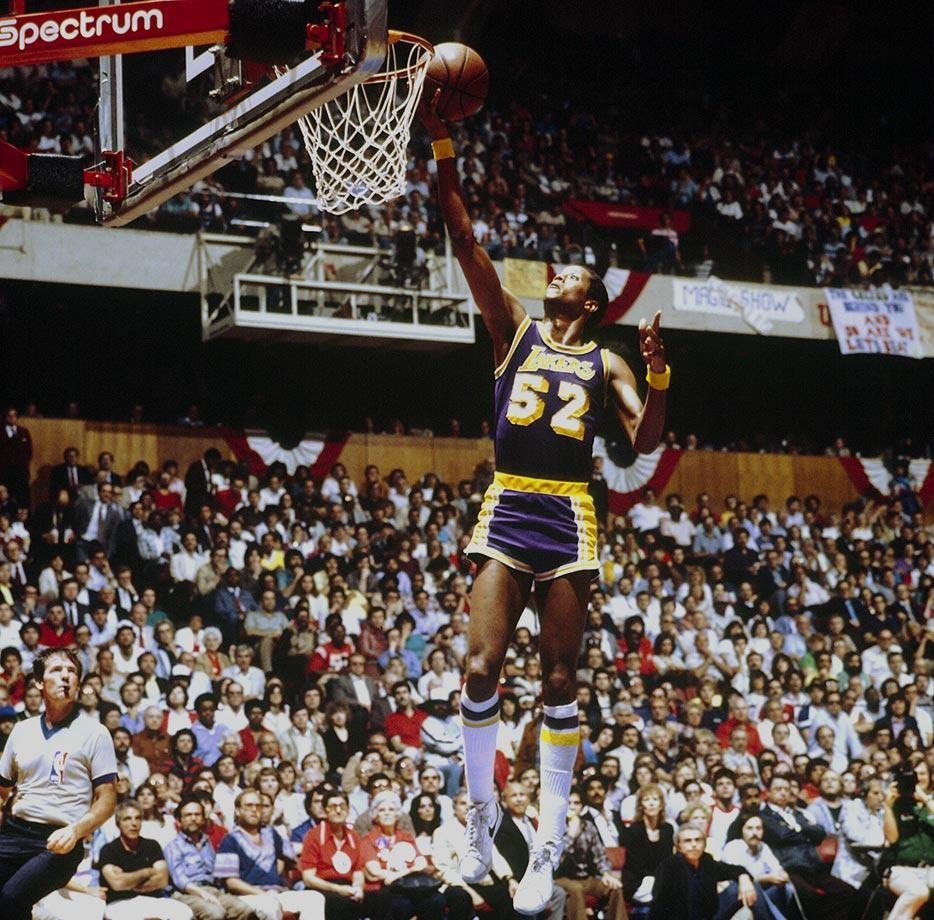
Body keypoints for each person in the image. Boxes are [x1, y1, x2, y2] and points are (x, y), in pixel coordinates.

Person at [419, 91, 668, 917]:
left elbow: (645, 440)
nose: (556, 272)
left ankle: (550, 840)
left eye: (572, 275)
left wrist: (658, 374)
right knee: (478, 667)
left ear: (591, 302)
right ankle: (483, 814)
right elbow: (464, 238)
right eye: (556, 271)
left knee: (560, 679)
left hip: (569, 513)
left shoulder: (607, 362)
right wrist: (444, 146)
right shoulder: (513, 331)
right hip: (509, 505)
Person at [0, 647, 118, 920]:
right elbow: (2, 789)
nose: (66, 676)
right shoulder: (21, 730)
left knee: (11, 899)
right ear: (39, 683)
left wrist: (76, 831)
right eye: (56, 670)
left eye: (72, 671)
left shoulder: (95, 733)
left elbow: (107, 800)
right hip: (14, 832)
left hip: (60, 840)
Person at [215, 787, 325, 919]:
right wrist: (263, 894)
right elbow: (231, 882)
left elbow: (292, 858)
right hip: (248, 896)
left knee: (314, 898)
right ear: (238, 811)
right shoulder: (229, 840)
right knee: (270, 906)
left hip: (277, 892)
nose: (254, 809)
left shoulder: (271, 834)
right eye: (249, 805)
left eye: (258, 806)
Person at [649, 823, 773, 920]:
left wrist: (743, 877)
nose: (694, 844)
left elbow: (732, 869)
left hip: (709, 917)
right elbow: (658, 905)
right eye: (688, 841)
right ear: (679, 846)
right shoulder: (669, 866)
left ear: (704, 844)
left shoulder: (706, 861)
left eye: (698, 840)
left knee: (751, 886)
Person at [98, 798, 193, 920]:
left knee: (184, 912)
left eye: (138, 818)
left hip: (153, 899)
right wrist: (147, 872)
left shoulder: (152, 846)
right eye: (127, 819)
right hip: (121, 902)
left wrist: (128, 880)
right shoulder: (109, 850)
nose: (134, 823)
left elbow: (162, 881)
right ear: (118, 824)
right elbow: (117, 883)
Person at [164, 795, 253, 920]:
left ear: (203, 818)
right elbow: (180, 880)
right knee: (215, 913)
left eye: (197, 814)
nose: (193, 818)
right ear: (179, 820)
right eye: (188, 815)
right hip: (187, 894)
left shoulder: (207, 842)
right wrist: (203, 894)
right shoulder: (173, 847)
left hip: (213, 890)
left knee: (243, 908)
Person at [555, 788, 626, 920]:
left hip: (586, 878)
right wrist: (571, 835)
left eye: (576, 803)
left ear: (581, 807)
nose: (572, 806)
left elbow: (600, 855)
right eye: (568, 803)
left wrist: (606, 874)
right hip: (562, 878)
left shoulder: (588, 826)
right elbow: (556, 861)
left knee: (614, 888)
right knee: (575, 889)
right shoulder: (555, 828)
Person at [722, 812, 797, 920]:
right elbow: (736, 883)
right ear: (741, 830)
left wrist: (782, 874)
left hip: (763, 891)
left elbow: (776, 868)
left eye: (758, 828)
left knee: (787, 887)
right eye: (750, 828)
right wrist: (767, 878)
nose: (755, 833)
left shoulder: (763, 846)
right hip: (740, 896)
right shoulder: (733, 847)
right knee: (757, 891)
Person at [880, 772, 934, 920]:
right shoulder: (896, 805)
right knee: (918, 891)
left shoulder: (931, 804)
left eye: (922, 774)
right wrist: (888, 806)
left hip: (931, 869)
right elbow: (892, 838)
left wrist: (925, 799)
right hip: (903, 869)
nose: (917, 780)